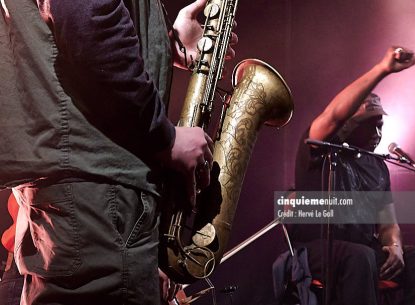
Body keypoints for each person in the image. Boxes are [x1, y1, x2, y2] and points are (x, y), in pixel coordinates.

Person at [0, 0, 237, 304]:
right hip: (99, 199)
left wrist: (164, 44)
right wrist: (165, 138)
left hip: (88, 195)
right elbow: (86, 19)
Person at [292, 46, 415, 305]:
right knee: (361, 258)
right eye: (367, 124)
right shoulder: (319, 149)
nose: (376, 132)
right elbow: (334, 115)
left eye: (379, 125)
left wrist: (395, 247)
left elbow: (388, 222)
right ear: (347, 125)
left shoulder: (377, 165)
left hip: (363, 252)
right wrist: (382, 69)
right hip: (317, 250)